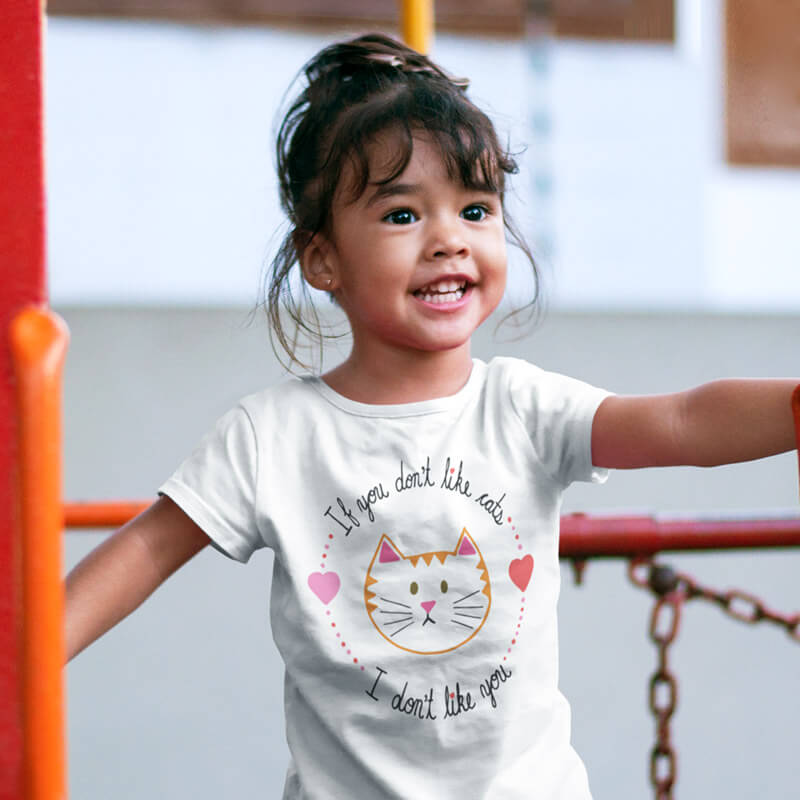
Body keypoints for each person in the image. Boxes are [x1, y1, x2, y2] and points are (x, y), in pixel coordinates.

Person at [64, 33, 798, 800]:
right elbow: (144, 553)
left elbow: (682, 422)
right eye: (403, 215)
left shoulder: (520, 407)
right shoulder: (272, 436)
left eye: (476, 209)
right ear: (322, 260)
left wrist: (792, 406)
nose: (449, 239)